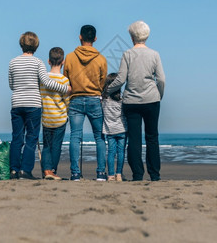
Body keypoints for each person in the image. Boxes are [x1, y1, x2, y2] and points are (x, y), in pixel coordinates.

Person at [106, 21, 165, 181]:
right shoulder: (154, 54)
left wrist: (106, 91)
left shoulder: (127, 54)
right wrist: (159, 95)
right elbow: (161, 79)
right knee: (152, 137)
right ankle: (154, 174)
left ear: (132, 37)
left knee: (134, 139)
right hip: (152, 100)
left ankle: (137, 174)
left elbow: (120, 80)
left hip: (131, 101)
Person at [8, 32, 70, 180]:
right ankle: (25, 170)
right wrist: (65, 89)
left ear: (21, 44)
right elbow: (47, 82)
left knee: (17, 137)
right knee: (31, 137)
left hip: (16, 103)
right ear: (36, 45)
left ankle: (13, 170)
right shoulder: (38, 62)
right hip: (33, 105)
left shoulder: (13, 62)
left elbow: (11, 85)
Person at [63, 25, 108, 181]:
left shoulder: (69, 57)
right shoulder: (101, 59)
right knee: (99, 137)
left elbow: (66, 80)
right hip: (94, 99)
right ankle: (101, 173)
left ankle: (75, 173)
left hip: (75, 98)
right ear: (95, 38)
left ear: (80, 37)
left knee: (75, 136)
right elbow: (103, 82)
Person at [40, 47, 70, 180]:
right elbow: (67, 101)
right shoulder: (64, 80)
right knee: (56, 146)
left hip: (46, 117)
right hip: (60, 118)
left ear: (48, 61)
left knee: (46, 146)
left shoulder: (43, 79)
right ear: (62, 62)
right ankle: (52, 170)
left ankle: (46, 171)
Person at [102, 73, 127, 182]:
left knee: (111, 152)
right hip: (122, 130)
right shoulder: (121, 101)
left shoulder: (104, 101)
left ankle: (111, 175)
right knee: (121, 152)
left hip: (110, 130)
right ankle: (119, 174)